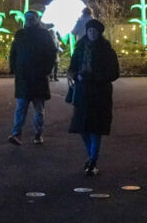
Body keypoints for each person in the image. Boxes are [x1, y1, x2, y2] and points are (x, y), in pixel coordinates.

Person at [67, 19, 120, 177]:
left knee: (95, 128)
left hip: (100, 93)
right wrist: (77, 75)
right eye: (90, 31)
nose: (92, 33)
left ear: (99, 33)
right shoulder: (80, 48)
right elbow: (72, 67)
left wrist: (96, 77)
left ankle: (93, 160)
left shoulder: (107, 50)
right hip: (82, 92)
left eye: (94, 31)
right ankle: (91, 156)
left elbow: (114, 73)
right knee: (82, 127)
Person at [7, 10, 57, 145]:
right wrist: (13, 68)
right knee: (21, 107)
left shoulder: (44, 34)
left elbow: (52, 53)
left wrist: (46, 70)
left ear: (37, 19)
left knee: (38, 109)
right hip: (24, 77)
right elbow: (14, 52)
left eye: (31, 18)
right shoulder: (20, 34)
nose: (29, 21)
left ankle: (38, 133)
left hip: (38, 77)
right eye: (27, 18)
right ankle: (17, 133)